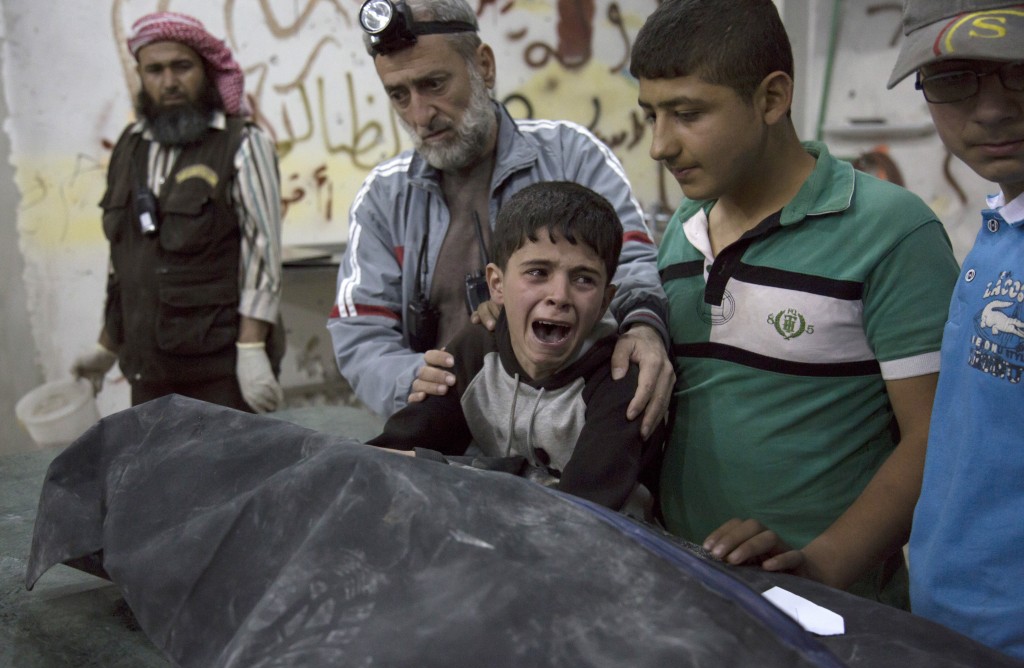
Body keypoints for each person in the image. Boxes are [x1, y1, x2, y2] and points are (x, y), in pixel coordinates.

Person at [630, 0, 961, 605]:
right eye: (651, 113)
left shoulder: (890, 232)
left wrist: (823, 566)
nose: (659, 145)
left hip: (835, 618)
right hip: (690, 594)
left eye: (687, 113)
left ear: (772, 98)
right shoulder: (683, 231)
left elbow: (937, 436)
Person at [329, 0, 672, 438]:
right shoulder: (383, 197)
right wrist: (411, 377)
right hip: (444, 445)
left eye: (433, 84)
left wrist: (644, 327)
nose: (419, 114)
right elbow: (359, 330)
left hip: (567, 436)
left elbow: (634, 264)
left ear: (483, 67)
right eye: (399, 94)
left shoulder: (573, 156)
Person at [367, 181, 665, 518]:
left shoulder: (622, 381)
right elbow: (390, 454)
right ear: (496, 285)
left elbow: (581, 514)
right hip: (504, 533)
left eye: (583, 279)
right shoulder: (476, 348)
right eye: (538, 272)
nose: (560, 295)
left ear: (605, 302)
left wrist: (444, 467)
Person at [886, 0, 1024, 658]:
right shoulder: (1001, 227)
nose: (992, 109)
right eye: (952, 78)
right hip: (954, 632)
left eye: (1022, 70)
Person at [71, 12, 285, 413]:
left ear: (205, 70)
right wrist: (107, 344)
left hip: (220, 368)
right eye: (154, 70)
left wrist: (252, 347)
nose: (168, 82)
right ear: (141, 75)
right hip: (148, 368)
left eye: (181, 67)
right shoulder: (129, 146)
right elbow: (124, 261)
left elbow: (263, 253)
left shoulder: (242, 143)